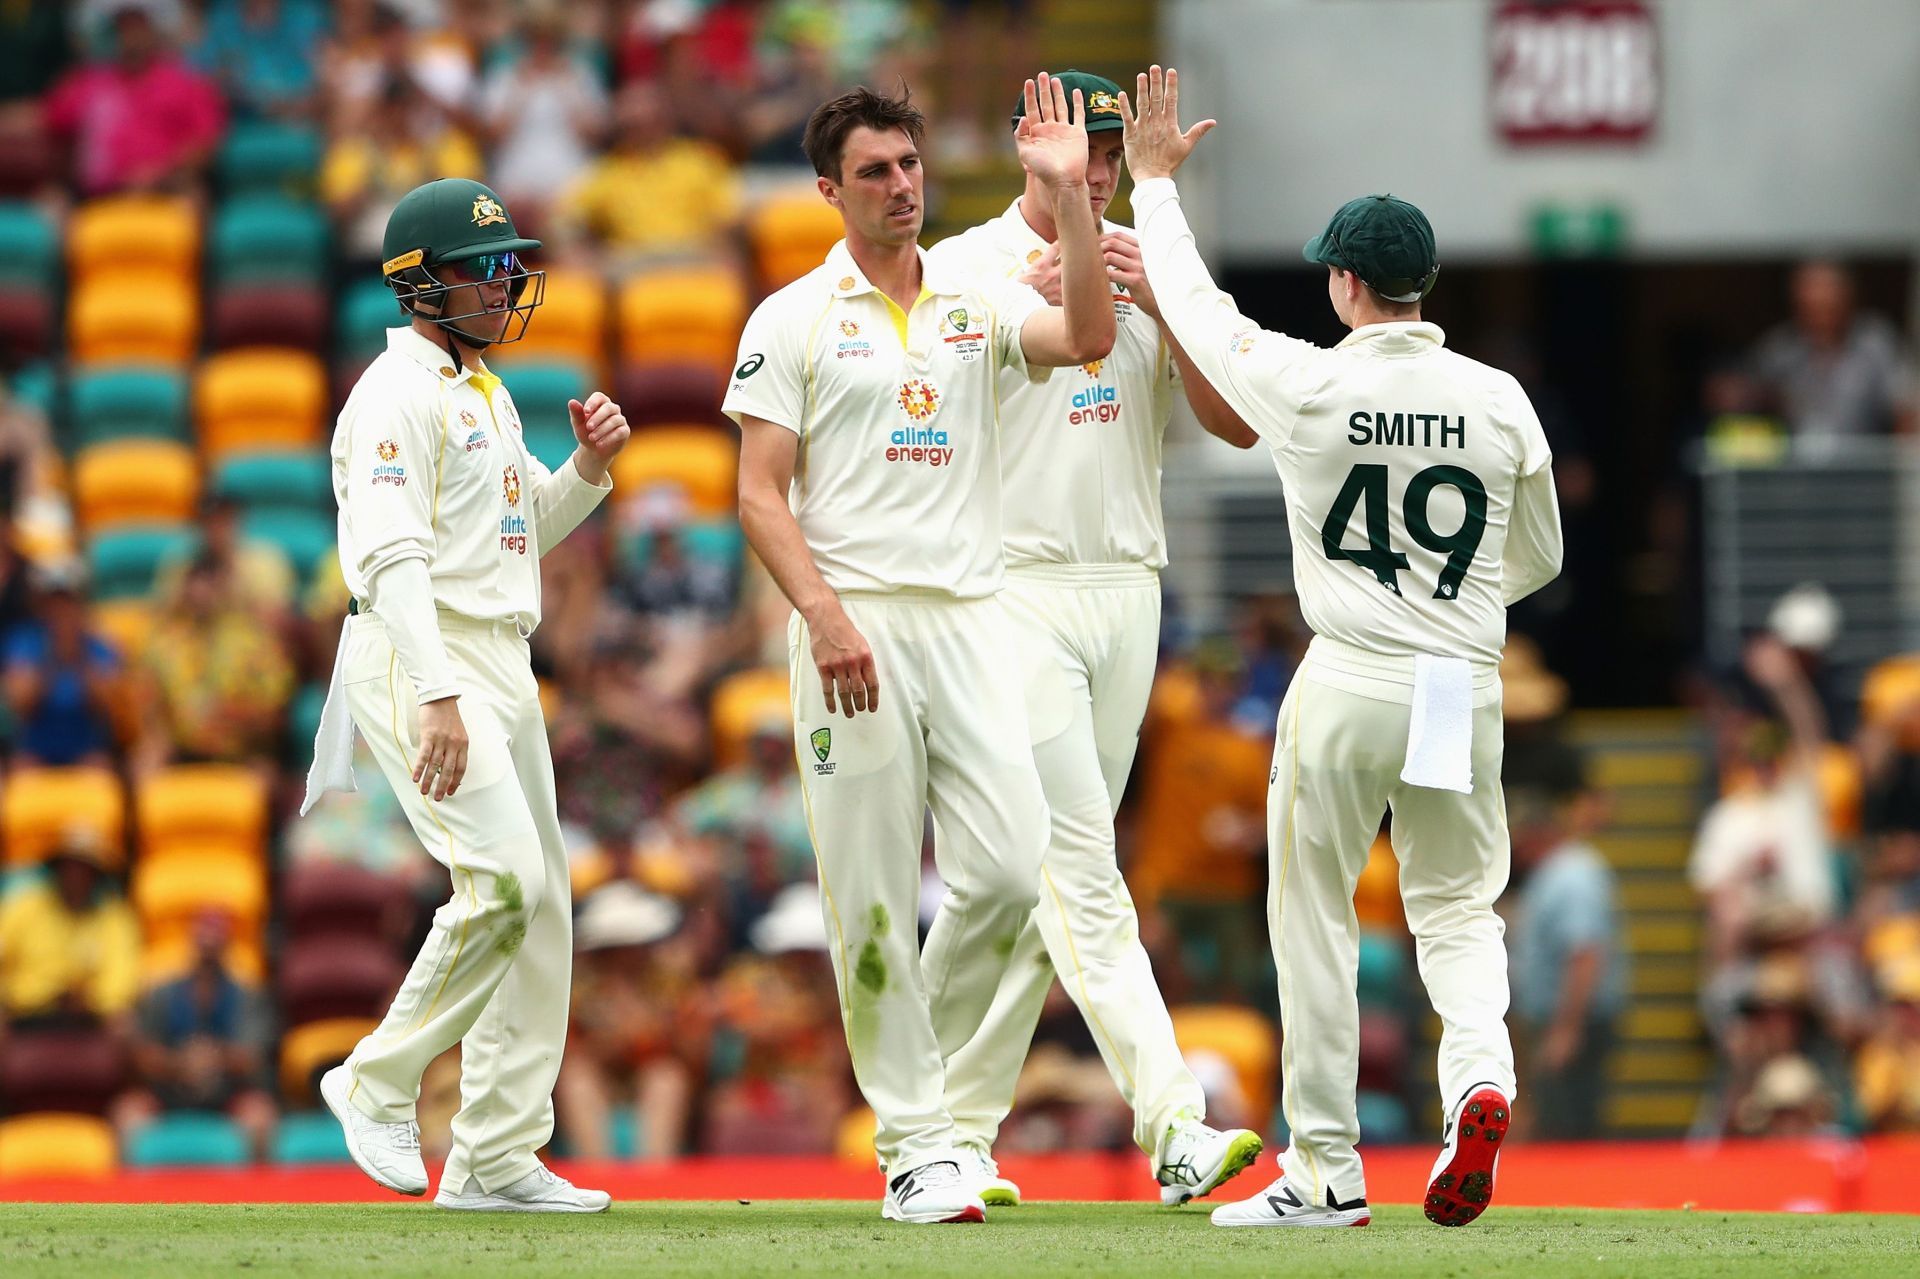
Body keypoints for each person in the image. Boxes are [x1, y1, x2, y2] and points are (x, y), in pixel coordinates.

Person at [1122, 66, 1564, 1228]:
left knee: (1312, 910)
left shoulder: (1313, 385)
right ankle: (1480, 1078)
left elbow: (1200, 319)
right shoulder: (1502, 399)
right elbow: (1542, 557)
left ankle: (1325, 1168)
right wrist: (1452, 601)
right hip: (1459, 679)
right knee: (1458, 910)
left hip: (1350, 675)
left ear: (1349, 282)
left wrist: (1154, 184)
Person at [726, 76, 1114, 1225]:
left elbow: (1089, 336)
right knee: (876, 899)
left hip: (971, 619)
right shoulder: (789, 317)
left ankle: (921, 1106)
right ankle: (915, 1148)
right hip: (854, 625)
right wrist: (826, 617)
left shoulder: (975, 294)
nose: (902, 188)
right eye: (875, 174)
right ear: (827, 193)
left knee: (1004, 875)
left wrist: (1070, 198)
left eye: (909, 165)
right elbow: (758, 495)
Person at [922, 68, 1261, 1209]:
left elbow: (1238, 419)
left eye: (1112, 150)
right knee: (1080, 868)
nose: (1100, 168)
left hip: (1130, 589)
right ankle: (1173, 1123)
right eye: (1078, 147)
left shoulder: (1154, 254)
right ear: (1030, 147)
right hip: (1011, 587)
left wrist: (1163, 301)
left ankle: (944, 1132)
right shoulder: (965, 267)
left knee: (1034, 889)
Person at [302, 176, 630, 1214]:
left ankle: (493, 1156)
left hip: (498, 657)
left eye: (508, 264)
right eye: (484, 267)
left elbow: (524, 523)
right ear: (419, 283)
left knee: (541, 912)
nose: (506, 282)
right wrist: (436, 691)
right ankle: (375, 1080)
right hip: (421, 655)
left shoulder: (480, 388)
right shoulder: (390, 394)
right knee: (498, 882)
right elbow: (390, 555)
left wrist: (583, 467)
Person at [1506, 786, 1627, 1141]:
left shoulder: (1571, 875)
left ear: (1536, 834)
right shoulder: (1556, 873)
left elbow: (1585, 953)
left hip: (1574, 1020)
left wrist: (1567, 1029)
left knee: (1567, 1128)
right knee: (1557, 1119)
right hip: (1562, 1018)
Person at [118, 911, 278, 1159]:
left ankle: (254, 1196)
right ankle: (130, 1197)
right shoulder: (162, 994)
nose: (208, 951)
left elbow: (251, 1057)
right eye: (202, 943)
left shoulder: (247, 996)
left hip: (227, 1091)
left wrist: (214, 1058)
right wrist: (181, 1064)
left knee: (260, 1117)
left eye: (215, 944)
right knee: (128, 1114)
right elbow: (144, 1056)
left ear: (226, 948)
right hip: (169, 1089)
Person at [40, 0, 225, 197]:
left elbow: (206, 142)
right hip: (97, 194)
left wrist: (161, 173)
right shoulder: (89, 81)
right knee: (50, 202)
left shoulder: (186, 81)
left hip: (167, 189)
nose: (130, 36)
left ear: (154, 30)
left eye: (138, 26)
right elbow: (53, 118)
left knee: (195, 198)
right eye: (123, 27)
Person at [1749, 260, 1913, 441]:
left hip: (1863, 462)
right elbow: (1753, 398)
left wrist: (1904, 464)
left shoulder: (1875, 342)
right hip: (1794, 462)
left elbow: (1907, 407)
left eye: (1828, 307)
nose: (1820, 318)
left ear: (1848, 299)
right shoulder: (1779, 348)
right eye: (1810, 307)